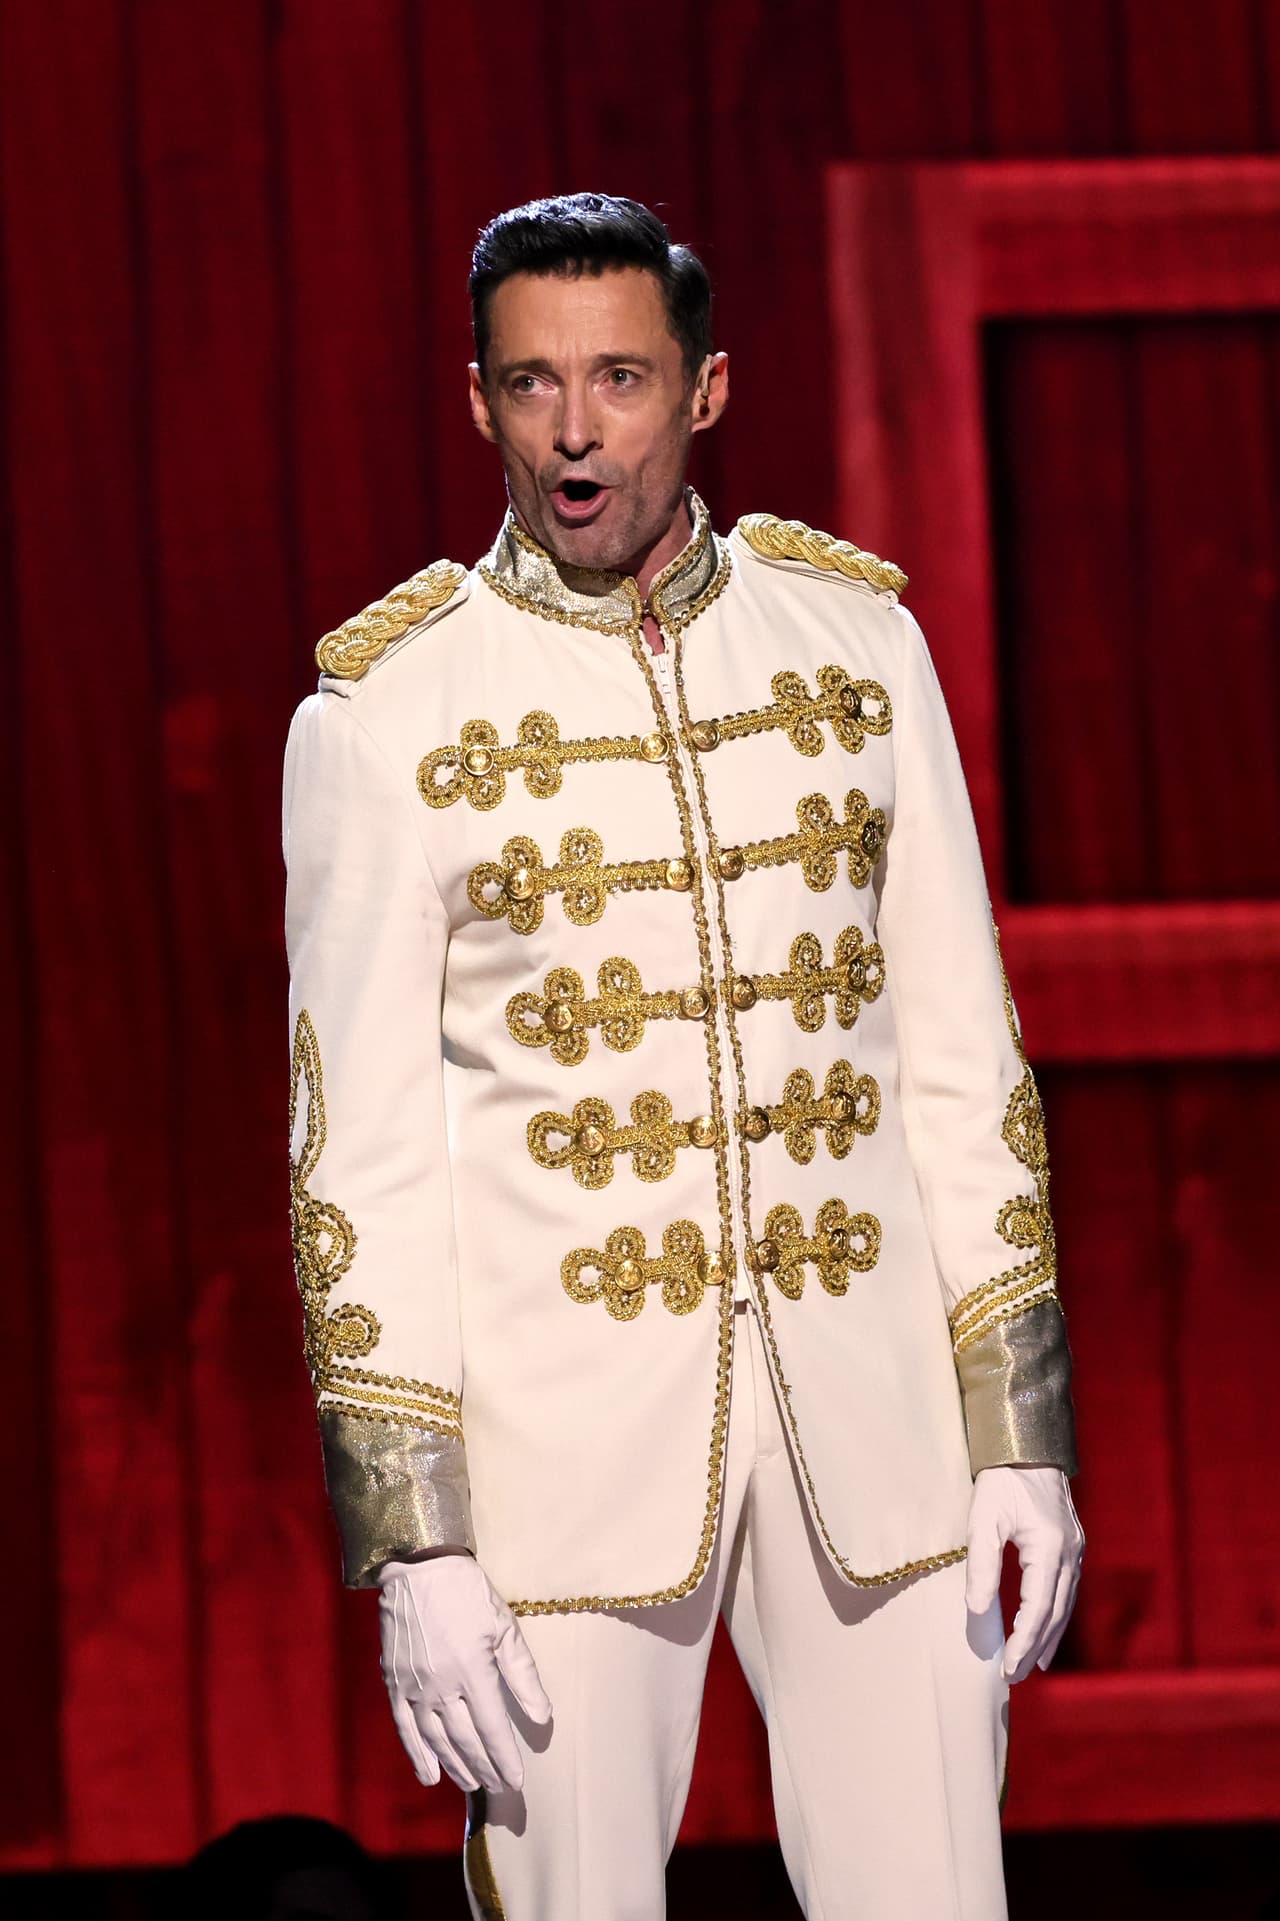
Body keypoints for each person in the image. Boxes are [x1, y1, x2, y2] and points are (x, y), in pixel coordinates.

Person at [282, 191, 1084, 1921]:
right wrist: (416, 1532)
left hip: (879, 1411)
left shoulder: (857, 645)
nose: (575, 431)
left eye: (621, 378)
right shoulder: (386, 712)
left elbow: (968, 1057)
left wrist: (1020, 1427)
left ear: (706, 389)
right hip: (555, 1452)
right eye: (532, 383)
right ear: (478, 401)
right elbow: (361, 1159)